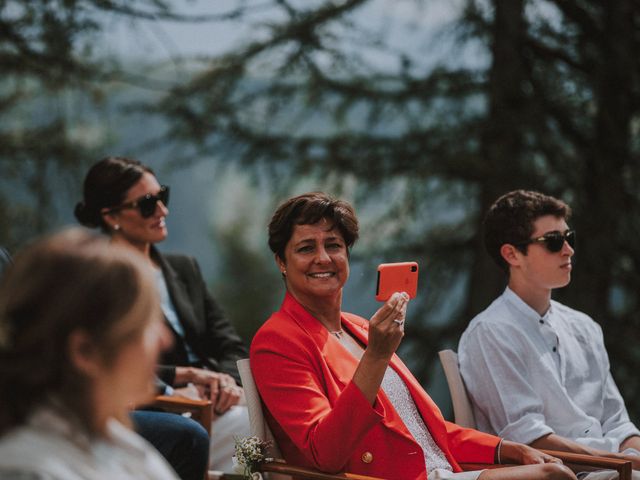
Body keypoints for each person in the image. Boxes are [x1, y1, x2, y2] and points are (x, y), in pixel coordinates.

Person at [250, 192, 576, 480]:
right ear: (281, 261)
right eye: (306, 248)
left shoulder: (361, 327)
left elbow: (426, 431)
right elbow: (325, 452)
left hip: (438, 471)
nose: (323, 258)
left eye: (333, 245)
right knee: (551, 477)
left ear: (347, 255)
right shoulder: (278, 340)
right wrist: (376, 356)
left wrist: (509, 449)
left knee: (557, 470)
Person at [74, 156, 250, 472]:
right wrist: (185, 379)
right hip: (167, 405)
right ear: (112, 216)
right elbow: (113, 361)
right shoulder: (102, 281)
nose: (162, 211)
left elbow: (229, 344)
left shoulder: (184, 268)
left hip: (218, 399)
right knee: (257, 431)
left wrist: (226, 383)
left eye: (162, 196)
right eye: (147, 204)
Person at [458, 190, 640, 479]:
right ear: (512, 254)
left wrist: (631, 457)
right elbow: (529, 441)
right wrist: (622, 462)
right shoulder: (490, 332)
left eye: (569, 238)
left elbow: (618, 425)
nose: (568, 250)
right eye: (553, 242)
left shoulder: (585, 327)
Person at [0, 245, 209, 480]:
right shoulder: (27, 471)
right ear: (84, 352)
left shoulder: (134, 452)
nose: (165, 340)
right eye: (141, 325)